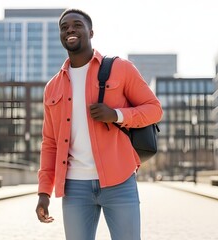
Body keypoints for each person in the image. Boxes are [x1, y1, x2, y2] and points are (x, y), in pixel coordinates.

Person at [35, 8, 163, 240]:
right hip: (74, 189)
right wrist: (44, 191)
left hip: (120, 181)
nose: (70, 30)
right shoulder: (52, 87)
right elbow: (50, 143)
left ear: (91, 31)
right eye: (64, 27)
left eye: (77, 25)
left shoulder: (120, 69)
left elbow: (154, 110)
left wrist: (116, 115)